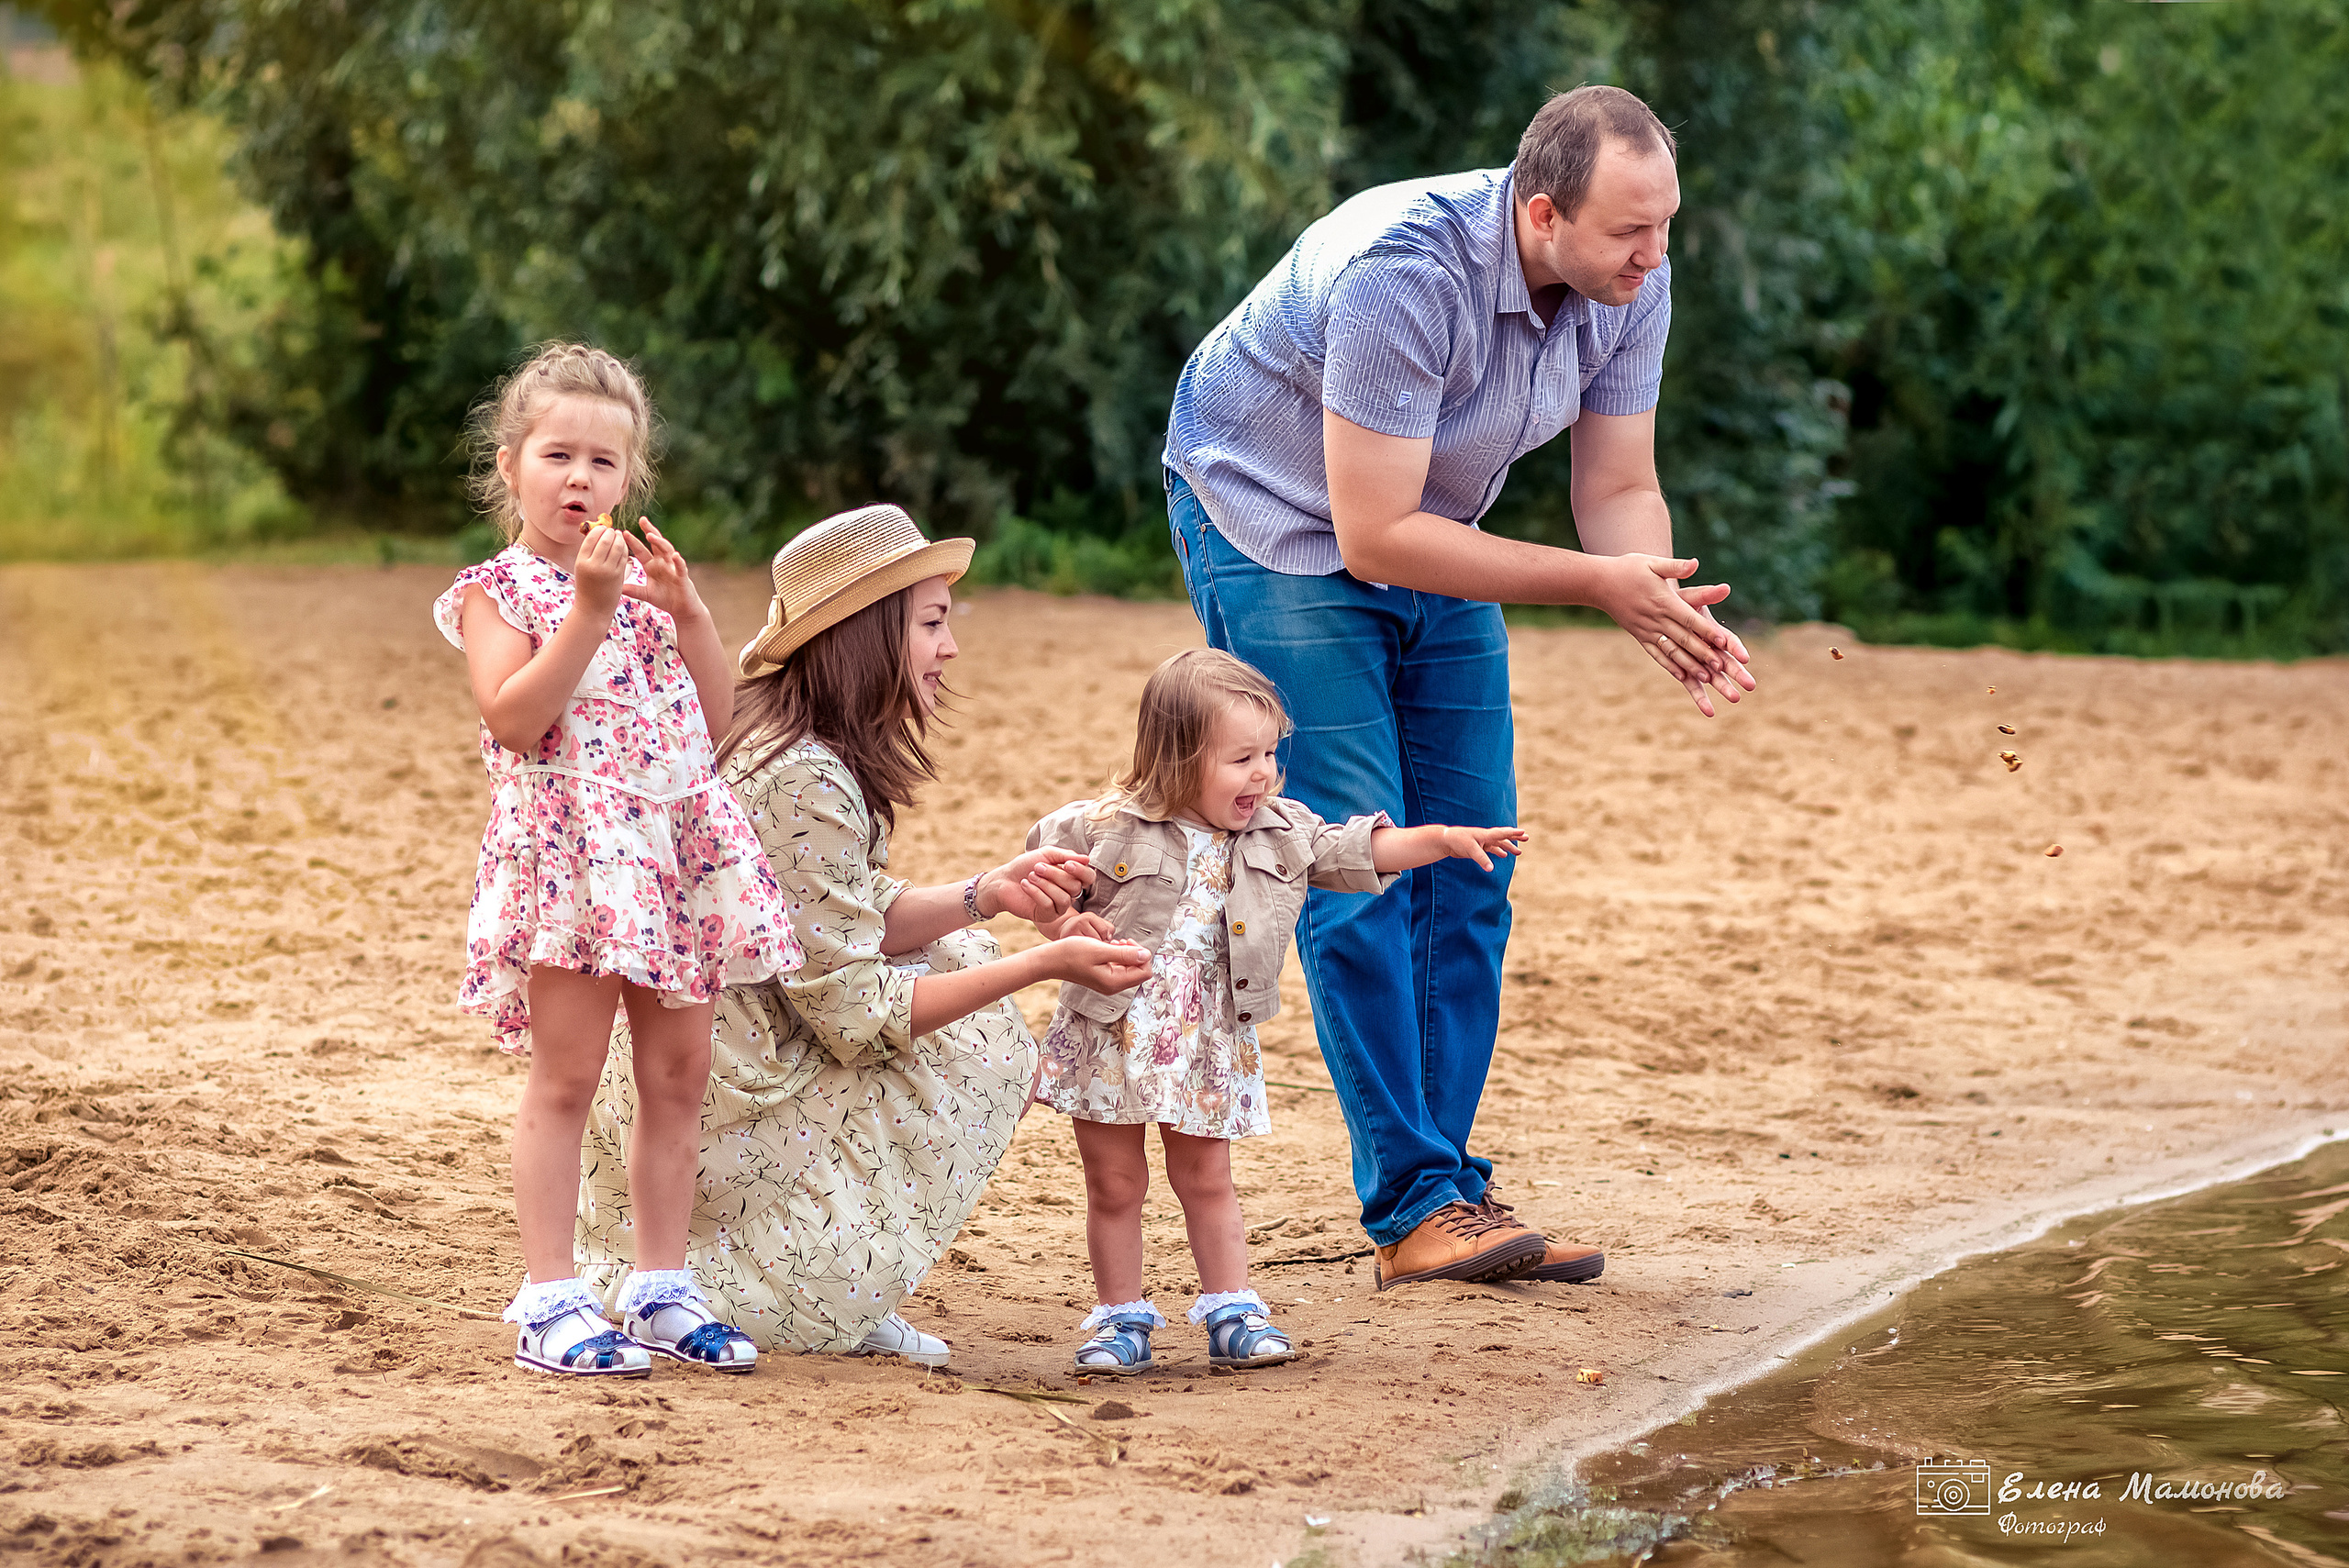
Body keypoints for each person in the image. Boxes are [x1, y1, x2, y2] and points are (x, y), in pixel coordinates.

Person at [1162, 84, 1755, 1289]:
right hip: (1274, 524)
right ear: (1543, 215)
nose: (1658, 254)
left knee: (1478, 854)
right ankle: (1416, 1202)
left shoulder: (1628, 281)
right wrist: (1597, 588)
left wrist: (1651, 588)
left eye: (1668, 225)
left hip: (1431, 528)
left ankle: (1455, 1189)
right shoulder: (1407, 274)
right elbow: (1373, 535)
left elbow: (1619, 482)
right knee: (1363, 852)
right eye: (1630, 232)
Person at [576, 505, 1154, 1366]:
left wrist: (984, 892)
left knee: (960, 951)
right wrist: (1047, 963)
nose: (949, 646)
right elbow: (857, 1012)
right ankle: (801, 1286)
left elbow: (850, 911)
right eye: (931, 622)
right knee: (980, 1035)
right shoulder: (803, 773)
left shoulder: (796, 740)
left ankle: (832, 1286)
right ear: (868, 634)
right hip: (729, 1088)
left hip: (722, 1055)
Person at [433, 342, 800, 1378]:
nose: (579, 479)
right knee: (568, 1074)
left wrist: (686, 616)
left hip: (672, 852)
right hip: (577, 856)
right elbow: (514, 718)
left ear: (628, 478)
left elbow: (712, 725)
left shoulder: (640, 586)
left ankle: (660, 1286)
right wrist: (590, 611)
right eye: (557, 454)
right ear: (509, 465)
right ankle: (550, 1298)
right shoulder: (495, 591)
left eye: (603, 462)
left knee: (679, 1074)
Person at [1026, 650, 1526, 1373]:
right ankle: (1119, 1318)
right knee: (1114, 1184)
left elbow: (1359, 847)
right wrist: (1062, 928)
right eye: (1240, 758)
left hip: (1206, 1042)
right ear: (1175, 757)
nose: (1263, 773)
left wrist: (1444, 841)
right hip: (1111, 1032)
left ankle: (1232, 1306)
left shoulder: (1280, 831)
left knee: (1206, 1179)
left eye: (1269, 754)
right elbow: (1038, 869)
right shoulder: (1108, 826)